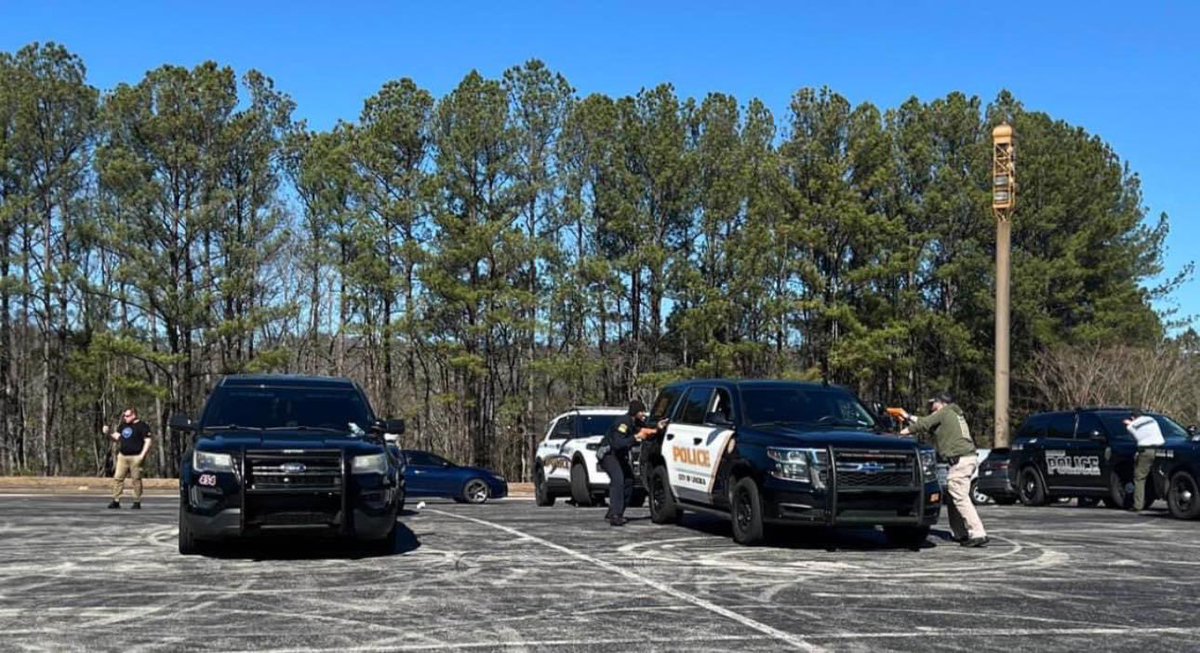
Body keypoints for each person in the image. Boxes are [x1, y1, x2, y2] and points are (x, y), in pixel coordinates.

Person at [901, 393, 988, 547]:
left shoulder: (945, 412)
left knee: (959, 495)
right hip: (966, 458)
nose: (931, 407)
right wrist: (907, 416)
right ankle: (959, 533)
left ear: (941, 403)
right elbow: (926, 422)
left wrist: (904, 432)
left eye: (933, 404)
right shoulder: (951, 413)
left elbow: (924, 424)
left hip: (961, 459)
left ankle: (978, 532)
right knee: (954, 496)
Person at [598, 399, 664, 526]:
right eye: (641, 411)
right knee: (618, 480)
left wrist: (658, 428)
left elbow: (648, 431)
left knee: (628, 481)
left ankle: (614, 512)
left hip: (619, 456)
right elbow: (617, 443)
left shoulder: (637, 423)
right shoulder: (623, 422)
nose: (643, 414)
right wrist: (635, 438)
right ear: (635, 412)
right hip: (609, 454)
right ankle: (616, 516)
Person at [104, 408, 152, 510]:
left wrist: (142, 456)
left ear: (134, 415)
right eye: (124, 416)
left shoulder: (142, 426)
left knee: (136, 479)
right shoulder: (123, 426)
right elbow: (116, 438)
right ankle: (116, 500)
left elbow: (148, 441)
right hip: (123, 456)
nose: (125, 418)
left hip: (136, 457)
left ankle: (136, 501)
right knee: (118, 478)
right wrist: (108, 433)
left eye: (127, 416)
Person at [1124, 410, 1164, 512]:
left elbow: (1137, 437)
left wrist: (1129, 424)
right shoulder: (1152, 419)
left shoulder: (1131, 426)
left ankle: (1138, 505)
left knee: (1139, 477)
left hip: (1146, 451)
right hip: (1161, 449)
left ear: (1133, 418)